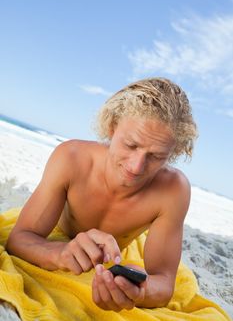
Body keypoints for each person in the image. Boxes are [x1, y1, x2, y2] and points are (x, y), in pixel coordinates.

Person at [6, 77, 198, 311]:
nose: (136, 167)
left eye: (156, 156)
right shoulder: (71, 158)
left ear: (172, 152)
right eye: (131, 145)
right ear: (112, 127)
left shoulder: (174, 190)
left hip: (118, 256)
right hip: (57, 238)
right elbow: (20, 239)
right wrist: (61, 253)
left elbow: (164, 283)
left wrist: (139, 291)